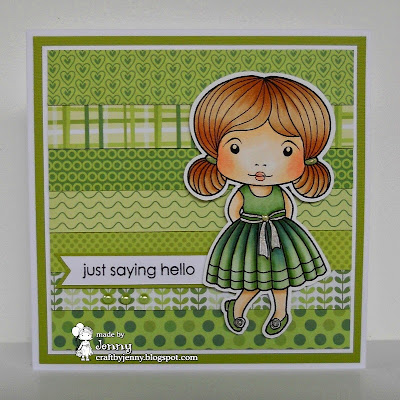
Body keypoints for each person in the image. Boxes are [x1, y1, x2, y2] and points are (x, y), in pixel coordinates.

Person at [185, 73, 334, 338]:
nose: (261, 164)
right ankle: (236, 309)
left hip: (280, 239)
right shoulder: (242, 192)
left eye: (286, 151)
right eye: (236, 148)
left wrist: (277, 228)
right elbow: (234, 213)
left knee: (281, 281)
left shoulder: (280, 192)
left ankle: (280, 314)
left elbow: (287, 211)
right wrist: (248, 230)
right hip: (250, 239)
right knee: (251, 282)